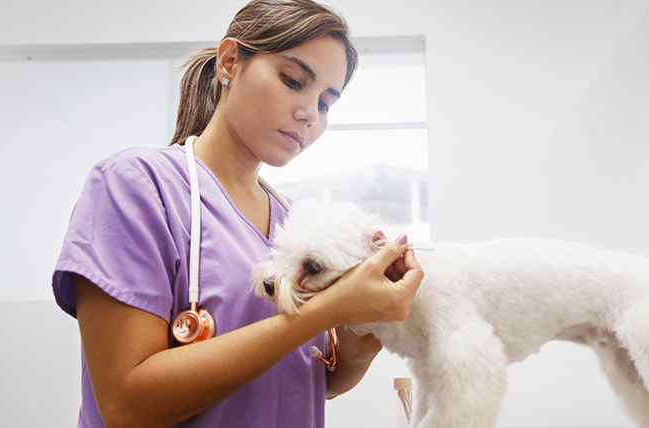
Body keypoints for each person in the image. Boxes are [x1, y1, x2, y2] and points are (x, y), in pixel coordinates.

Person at [51, 0, 424, 427]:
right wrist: (325, 311)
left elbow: (299, 378)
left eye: (325, 103)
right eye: (292, 80)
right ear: (230, 63)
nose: (309, 114)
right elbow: (127, 405)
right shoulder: (135, 185)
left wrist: (361, 339)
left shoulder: (293, 224)